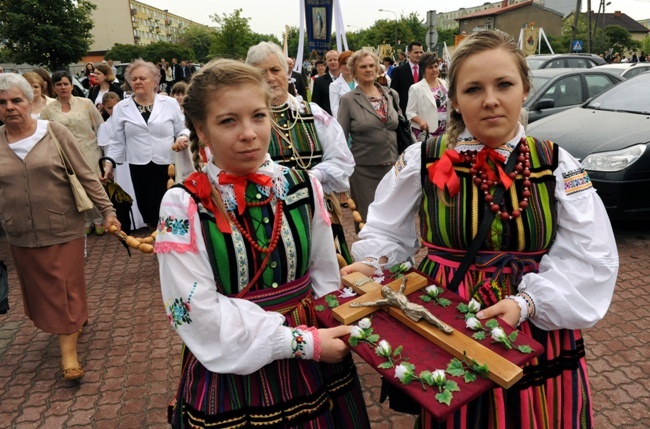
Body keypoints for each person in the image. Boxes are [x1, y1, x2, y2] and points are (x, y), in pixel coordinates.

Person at [341, 30, 618, 428]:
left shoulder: (557, 163)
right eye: (473, 89)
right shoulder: (423, 157)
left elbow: (592, 255)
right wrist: (372, 263)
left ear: (524, 89)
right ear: (453, 100)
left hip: (533, 325)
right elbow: (386, 228)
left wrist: (528, 304)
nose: (490, 99)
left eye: (504, 84)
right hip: (446, 320)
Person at [156, 58, 370, 429]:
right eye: (228, 121)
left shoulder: (303, 185)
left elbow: (323, 274)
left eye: (258, 116)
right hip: (235, 370)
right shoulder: (184, 204)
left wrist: (333, 324)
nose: (249, 133)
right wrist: (302, 343)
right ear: (202, 132)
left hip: (315, 363)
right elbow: (194, 309)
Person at [0, 73, 120, 381]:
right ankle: (75, 318)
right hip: (20, 232)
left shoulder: (53, 132)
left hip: (63, 225)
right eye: (2, 103)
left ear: (31, 102)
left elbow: (86, 174)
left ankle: (69, 353)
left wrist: (107, 211)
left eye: (16, 100)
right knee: (44, 291)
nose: (10, 107)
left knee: (63, 286)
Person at [245, 41, 355, 265]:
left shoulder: (312, 114)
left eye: (275, 70)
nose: (270, 77)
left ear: (287, 72)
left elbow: (342, 160)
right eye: (260, 72)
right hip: (265, 217)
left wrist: (312, 178)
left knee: (330, 278)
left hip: (317, 211)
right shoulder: (246, 121)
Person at [103, 59, 189, 229]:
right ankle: (158, 243)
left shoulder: (170, 103)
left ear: (155, 81)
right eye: (134, 79)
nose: (138, 82)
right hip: (139, 166)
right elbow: (116, 141)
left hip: (167, 165)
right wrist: (109, 164)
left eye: (142, 78)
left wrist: (183, 138)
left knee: (171, 209)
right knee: (149, 212)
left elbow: (183, 129)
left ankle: (173, 244)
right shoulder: (121, 107)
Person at [337, 50, 401, 227]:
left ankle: (394, 255)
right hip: (364, 170)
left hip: (392, 168)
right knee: (369, 222)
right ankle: (372, 255)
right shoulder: (348, 100)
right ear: (354, 71)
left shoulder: (391, 95)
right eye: (363, 66)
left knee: (393, 221)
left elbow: (400, 126)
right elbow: (340, 137)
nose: (368, 69)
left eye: (371, 65)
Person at [40, 70, 107, 236]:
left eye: (66, 84)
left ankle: (101, 219)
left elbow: (101, 127)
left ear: (71, 85)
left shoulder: (85, 103)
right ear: (53, 87)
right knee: (76, 187)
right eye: (58, 84)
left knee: (94, 184)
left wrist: (106, 156)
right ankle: (88, 220)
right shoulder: (48, 110)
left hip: (90, 150)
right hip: (64, 154)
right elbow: (43, 132)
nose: (63, 87)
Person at [405, 52, 448, 141]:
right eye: (430, 67)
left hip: (444, 131)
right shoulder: (416, 88)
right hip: (426, 132)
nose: (434, 70)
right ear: (423, 70)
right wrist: (421, 121)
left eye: (436, 66)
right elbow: (410, 112)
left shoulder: (443, 83)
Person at [390, 41, 424, 114]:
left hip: (422, 111)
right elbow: (393, 93)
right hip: (405, 111)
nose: (419, 55)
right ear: (408, 53)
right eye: (416, 52)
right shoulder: (398, 71)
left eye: (421, 52)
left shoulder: (425, 70)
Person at [329, 50, 355, 119]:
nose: (347, 66)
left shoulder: (360, 82)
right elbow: (335, 108)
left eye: (349, 63)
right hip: (344, 122)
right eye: (344, 63)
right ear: (339, 65)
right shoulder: (334, 85)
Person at [312, 50, 340, 115]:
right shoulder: (319, 81)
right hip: (328, 120)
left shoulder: (346, 79)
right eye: (330, 60)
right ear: (326, 62)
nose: (332, 62)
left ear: (339, 61)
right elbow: (315, 104)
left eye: (335, 59)